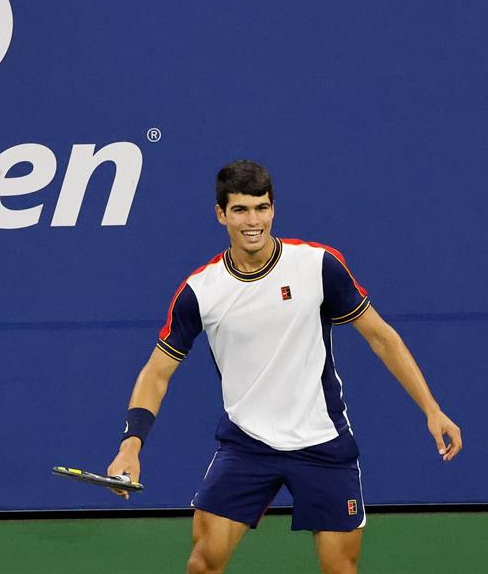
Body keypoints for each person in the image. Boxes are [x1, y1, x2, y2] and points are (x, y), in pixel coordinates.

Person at [106, 160, 462, 574]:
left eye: (261, 207)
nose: (252, 220)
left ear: (273, 209)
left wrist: (431, 409)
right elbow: (156, 373)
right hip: (247, 444)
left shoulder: (318, 266)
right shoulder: (200, 292)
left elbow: (381, 337)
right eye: (240, 210)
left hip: (321, 441)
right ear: (221, 214)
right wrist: (131, 445)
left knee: (340, 569)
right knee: (203, 562)